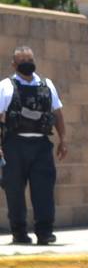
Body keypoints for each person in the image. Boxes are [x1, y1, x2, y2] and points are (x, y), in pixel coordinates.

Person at [0, 46, 67, 245]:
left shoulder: (47, 85)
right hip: (14, 145)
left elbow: (57, 114)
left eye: (30, 60)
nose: (27, 65)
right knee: (14, 191)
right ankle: (19, 233)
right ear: (14, 65)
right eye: (22, 62)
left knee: (43, 190)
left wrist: (63, 140)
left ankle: (45, 232)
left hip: (41, 145)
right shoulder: (5, 86)